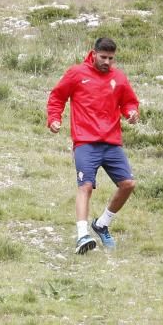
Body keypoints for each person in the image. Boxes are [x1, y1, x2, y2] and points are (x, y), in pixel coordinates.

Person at [47, 37, 139, 255]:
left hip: (111, 142)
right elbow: (57, 96)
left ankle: (102, 223)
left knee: (128, 184)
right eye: (103, 57)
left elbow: (128, 101)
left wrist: (131, 112)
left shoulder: (119, 77)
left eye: (111, 58)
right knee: (85, 186)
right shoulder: (77, 73)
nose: (107, 62)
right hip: (85, 142)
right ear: (94, 53)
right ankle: (82, 236)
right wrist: (53, 118)